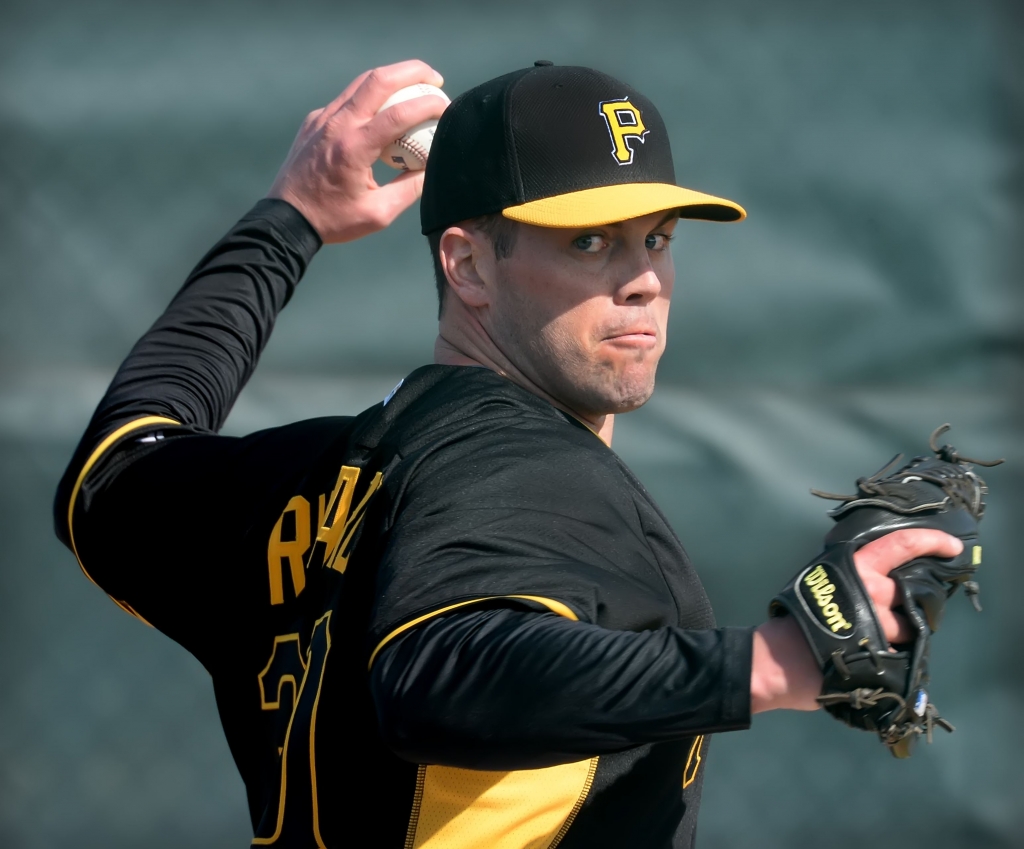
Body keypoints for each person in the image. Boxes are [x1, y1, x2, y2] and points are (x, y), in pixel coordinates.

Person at [54, 59, 963, 849]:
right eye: (590, 242)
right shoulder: (520, 459)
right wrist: (762, 665)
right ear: (469, 266)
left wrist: (290, 219)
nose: (643, 277)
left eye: (657, 239)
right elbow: (439, 671)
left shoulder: (316, 477)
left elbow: (114, 469)